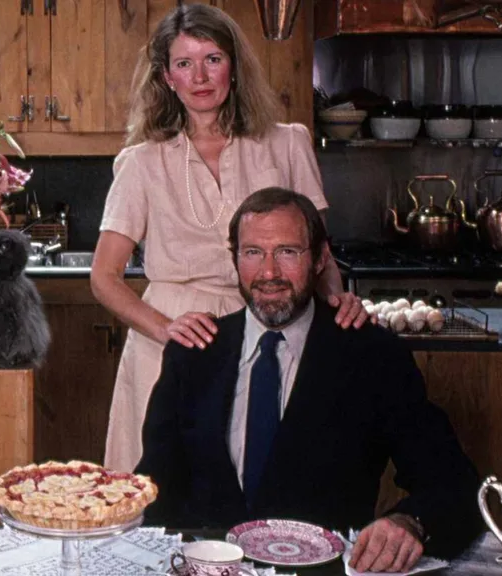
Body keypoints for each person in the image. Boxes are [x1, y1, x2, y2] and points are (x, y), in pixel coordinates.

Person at [135, 188, 485, 573]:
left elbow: (455, 485)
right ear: (234, 258)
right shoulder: (194, 353)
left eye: (287, 252)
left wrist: (410, 522)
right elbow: (152, 490)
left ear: (320, 259)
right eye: (253, 252)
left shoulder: (372, 356)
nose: (269, 273)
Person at [91, 3, 368, 473]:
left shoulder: (287, 143)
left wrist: (339, 306)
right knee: (158, 494)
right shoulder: (141, 163)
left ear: (234, 68)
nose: (200, 76)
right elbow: (104, 276)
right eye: (184, 63)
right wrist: (165, 330)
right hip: (171, 344)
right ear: (167, 77)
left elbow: (319, 257)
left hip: (271, 335)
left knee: (266, 483)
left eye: (212, 59)